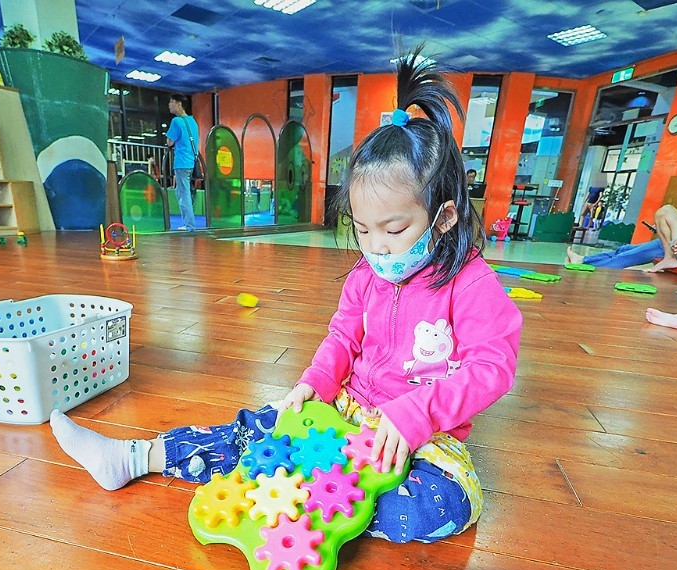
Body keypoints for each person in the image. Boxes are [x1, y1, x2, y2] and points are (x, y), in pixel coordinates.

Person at [50, 50, 523, 544]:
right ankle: (134, 458)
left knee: (441, 505)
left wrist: (417, 414)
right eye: (362, 230)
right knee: (259, 430)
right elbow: (342, 336)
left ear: (444, 217)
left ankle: (310, 500)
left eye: (395, 229)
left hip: (426, 432)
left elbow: (493, 367)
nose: (377, 247)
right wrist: (316, 382)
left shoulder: (470, 284)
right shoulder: (366, 274)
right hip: (346, 410)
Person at [165, 94, 199, 232]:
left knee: (183, 194)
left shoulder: (176, 121)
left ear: (179, 104)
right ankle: (189, 224)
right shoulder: (193, 121)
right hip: (191, 162)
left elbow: (169, 142)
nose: (169, 105)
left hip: (181, 162)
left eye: (172, 102)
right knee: (187, 193)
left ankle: (189, 225)